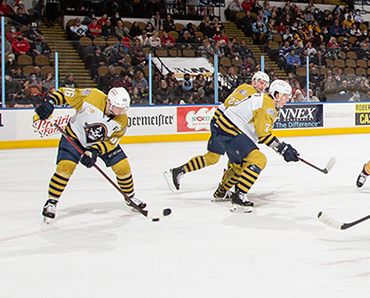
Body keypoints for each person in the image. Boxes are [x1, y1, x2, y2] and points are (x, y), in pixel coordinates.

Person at [164, 72, 298, 211]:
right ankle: (239, 196)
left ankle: (221, 192)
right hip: (229, 128)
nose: (288, 100)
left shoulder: (263, 100)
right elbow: (262, 134)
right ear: (277, 95)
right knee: (257, 159)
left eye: (264, 84)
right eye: (286, 96)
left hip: (227, 126)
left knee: (237, 165)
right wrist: (282, 148)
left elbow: (257, 129)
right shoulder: (261, 100)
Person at [35, 85, 144, 221]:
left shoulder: (122, 120)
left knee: (123, 167)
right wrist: (50, 102)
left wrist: (94, 151)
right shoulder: (92, 96)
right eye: (118, 107)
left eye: (124, 108)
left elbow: (111, 143)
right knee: (65, 167)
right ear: (109, 102)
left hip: (99, 143)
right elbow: (65, 93)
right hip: (74, 137)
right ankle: (51, 202)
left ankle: (130, 197)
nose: (121, 111)